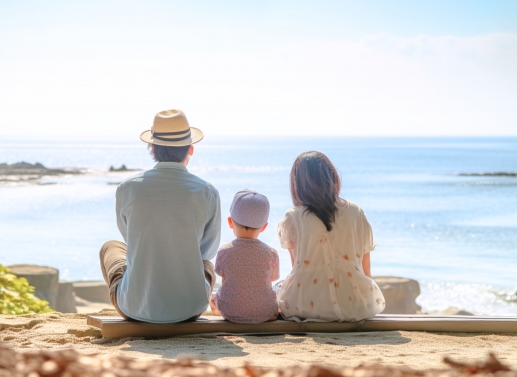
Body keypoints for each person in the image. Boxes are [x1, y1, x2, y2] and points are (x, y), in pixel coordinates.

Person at [99, 109, 221, 323]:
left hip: (135, 308)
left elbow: (131, 239)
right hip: (190, 309)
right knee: (207, 265)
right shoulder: (207, 192)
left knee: (111, 247)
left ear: (153, 148)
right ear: (190, 149)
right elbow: (207, 251)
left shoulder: (127, 189)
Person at [276, 151, 385, 322]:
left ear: (297, 185)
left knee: (277, 287)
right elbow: (366, 269)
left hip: (305, 306)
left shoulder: (293, 217)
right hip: (355, 306)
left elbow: (297, 267)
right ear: (333, 178)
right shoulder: (355, 211)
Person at [210, 190, 280, 323]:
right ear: (264, 227)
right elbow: (268, 283)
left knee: (215, 296)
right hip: (264, 312)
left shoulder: (225, 251)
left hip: (231, 312)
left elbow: (226, 283)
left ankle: (220, 311)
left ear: (230, 222)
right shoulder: (271, 253)